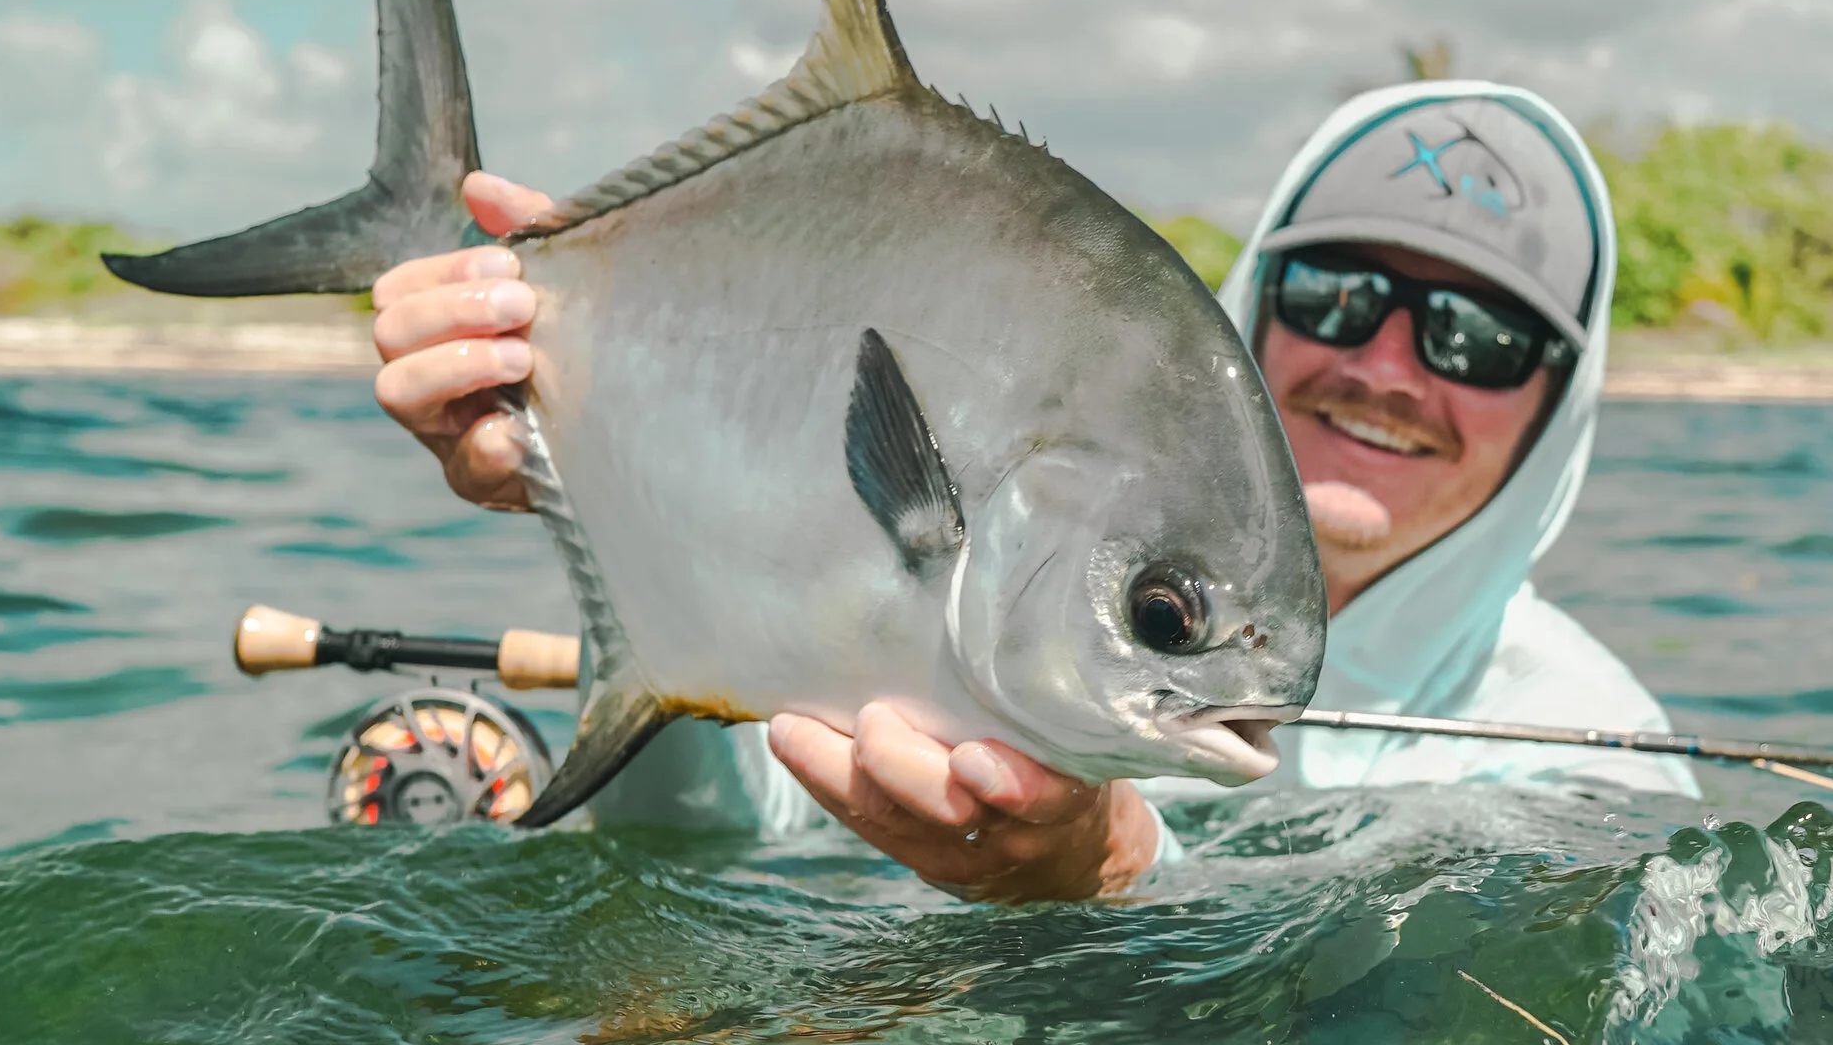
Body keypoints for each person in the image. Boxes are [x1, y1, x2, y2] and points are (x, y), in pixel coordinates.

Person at [369, 78, 1692, 899]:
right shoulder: (1000, 581)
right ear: (1250, 313)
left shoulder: (1595, 754)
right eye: (1337, 293)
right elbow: (701, 853)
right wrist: (597, 472)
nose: (1388, 365)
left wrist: (1111, 871)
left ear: (1565, 399)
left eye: (1479, 337)